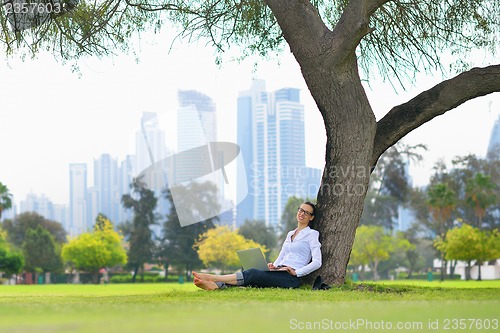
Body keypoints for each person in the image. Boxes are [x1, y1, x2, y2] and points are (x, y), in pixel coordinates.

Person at [192, 201, 322, 290]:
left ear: (311, 217)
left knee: (254, 274)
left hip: (291, 278)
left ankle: (211, 278)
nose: (302, 213)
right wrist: (273, 266)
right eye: (301, 210)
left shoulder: (312, 234)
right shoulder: (290, 234)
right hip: (279, 271)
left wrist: (296, 272)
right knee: (252, 274)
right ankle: (216, 286)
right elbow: (282, 255)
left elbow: (317, 262)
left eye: (306, 212)